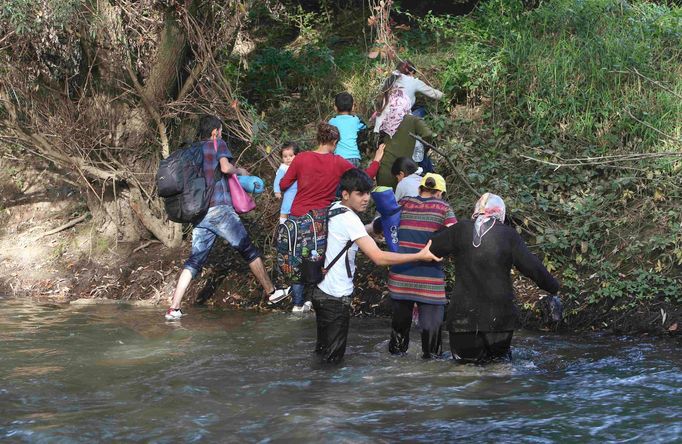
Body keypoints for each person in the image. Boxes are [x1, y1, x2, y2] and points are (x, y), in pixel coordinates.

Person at [165, 116, 289, 320]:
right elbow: (225, 168)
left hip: (200, 213)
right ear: (215, 132)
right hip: (219, 209)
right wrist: (239, 170)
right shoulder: (217, 144)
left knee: (195, 260)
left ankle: (174, 308)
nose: (221, 134)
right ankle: (272, 293)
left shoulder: (192, 151)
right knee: (248, 249)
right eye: (220, 131)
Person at [313, 168, 442, 363]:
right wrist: (419, 255)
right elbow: (379, 258)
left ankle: (314, 387)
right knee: (332, 360)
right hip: (336, 296)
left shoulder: (334, 209)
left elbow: (354, 234)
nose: (365, 198)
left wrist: (373, 231)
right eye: (360, 194)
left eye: (367, 193)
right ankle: (327, 392)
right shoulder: (349, 218)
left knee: (323, 353)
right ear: (345, 194)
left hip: (321, 291)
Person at [429, 193, 560, 363]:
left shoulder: (459, 230)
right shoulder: (509, 235)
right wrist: (553, 287)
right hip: (500, 319)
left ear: (476, 210)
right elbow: (532, 267)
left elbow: (431, 247)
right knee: (498, 370)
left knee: (464, 373)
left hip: (462, 319)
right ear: (501, 213)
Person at [273, 122, 385, 312]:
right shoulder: (338, 162)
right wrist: (376, 160)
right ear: (334, 142)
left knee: (297, 258)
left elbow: (283, 184)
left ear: (318, 139)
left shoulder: (301, 159)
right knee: (316, 258)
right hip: (320, 221)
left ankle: (297, 304)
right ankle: (311, 299)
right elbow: (363, 177)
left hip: (297, 216)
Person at [387, 174, 457, 359]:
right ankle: (430, 372)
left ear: (420, 189)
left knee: (399, 334)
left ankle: (397, 358)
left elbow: (384, 225)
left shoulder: (403, 203)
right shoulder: (443, 208)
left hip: (400, 279)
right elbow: (454, 235)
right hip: (429, 279)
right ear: (439, 192)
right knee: (432, 341)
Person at [374, 60, 444, 133]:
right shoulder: (413, 81)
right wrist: (448, 97)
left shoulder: (388, 81)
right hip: (398, 129)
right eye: (413, 74)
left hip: (380, 128)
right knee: (423, 110)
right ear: (410, 72)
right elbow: (435, 94)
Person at [375, 114, 432, 189]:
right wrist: (421, 150)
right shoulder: (413, 120)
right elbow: (427, 134)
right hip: (406, 172)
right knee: (406, 199)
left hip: (385, 172)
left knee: (385, 198)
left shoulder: (386, 118)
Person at [328, 92, 367, 167]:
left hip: (338, 158)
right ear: (352, 107)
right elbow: (364, 128)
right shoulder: (355, 120)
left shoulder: (332, 121)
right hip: (354, 157)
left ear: (335, 107)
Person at [273, 142, 299, 224]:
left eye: (291, 156)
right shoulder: (283, 168)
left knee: (295, 209)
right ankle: (282, 225)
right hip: (289, 192)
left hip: (299, 192)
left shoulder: (299, 165)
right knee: (285, 208)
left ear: (297, 155)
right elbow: (277, 180)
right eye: (285, 156)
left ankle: (293, 226)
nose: (288, 158)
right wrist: (277, 191)